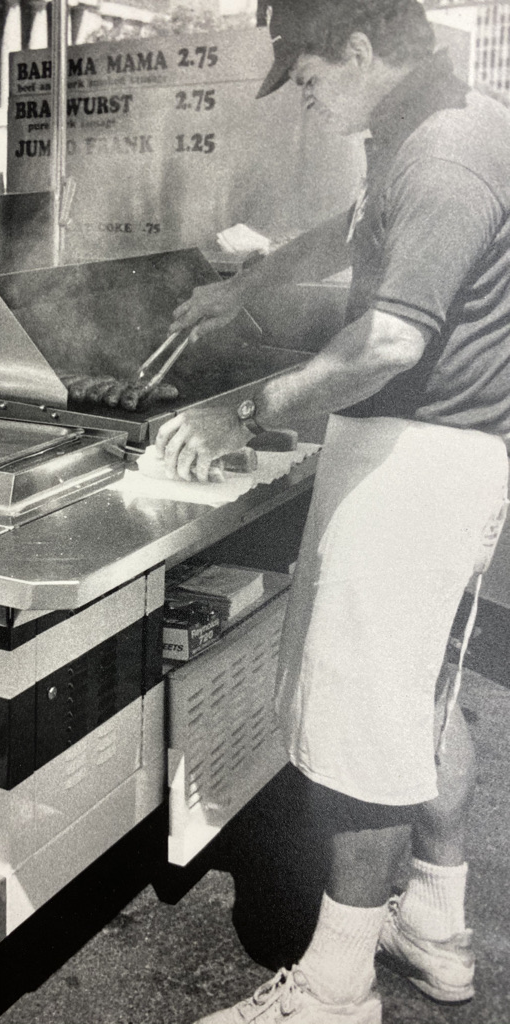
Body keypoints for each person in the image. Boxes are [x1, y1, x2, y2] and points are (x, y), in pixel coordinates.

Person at [155, 2, 510, 1022]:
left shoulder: (448, 152)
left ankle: (334, 985)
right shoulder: (429, 122)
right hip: (432, 455)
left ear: (358, 53)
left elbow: (391, 341)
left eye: (309, 79)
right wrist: (248, 287)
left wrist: (247, 411)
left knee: (361, 728)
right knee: (425, 703)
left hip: (417, 460)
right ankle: (435, 928)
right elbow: (353, 230)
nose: (307, 103)